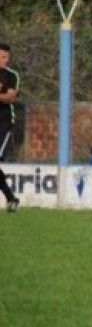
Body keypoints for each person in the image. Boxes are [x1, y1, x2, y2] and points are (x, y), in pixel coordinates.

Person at [0, 43, 21, 212]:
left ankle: (10, 198)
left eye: (7, 57)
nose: (5, 60)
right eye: (2, 57)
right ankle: (11, 198)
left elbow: (10, 97)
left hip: (4, 124)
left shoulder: (11, 76)